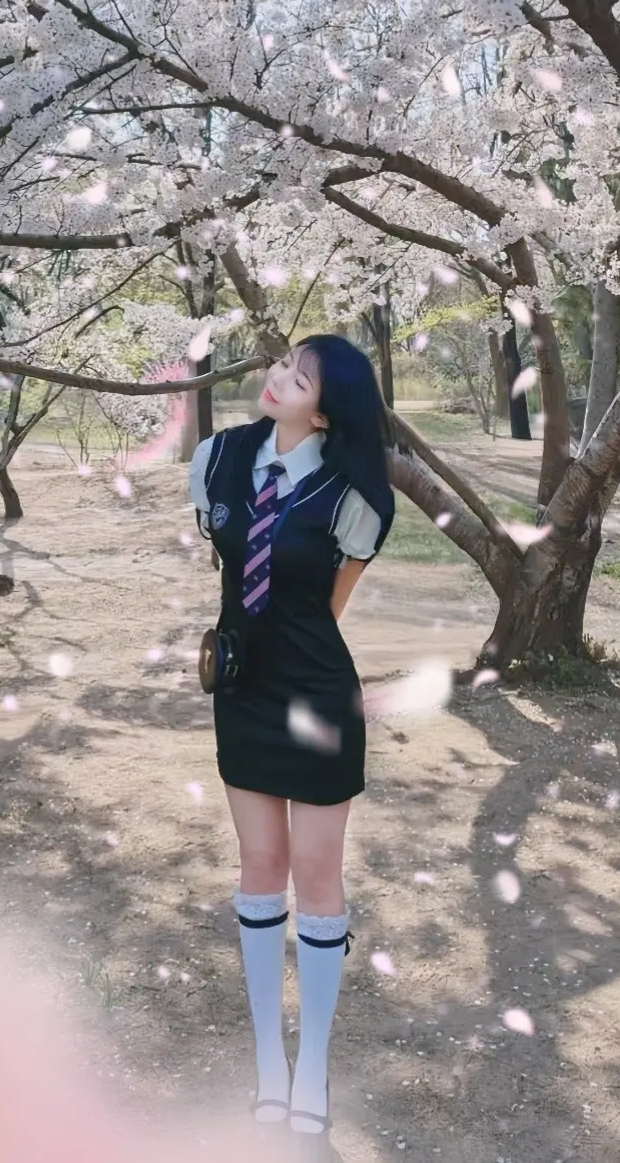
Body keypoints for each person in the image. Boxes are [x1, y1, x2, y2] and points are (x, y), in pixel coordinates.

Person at [188, 334, 395, 1153]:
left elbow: (330, 607)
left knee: (316, 873)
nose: (277, 379)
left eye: (299, 378)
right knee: (259, 864)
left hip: (315, 695)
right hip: (242, 693)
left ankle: (313, 1067)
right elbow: (229, 565)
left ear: (328, 410)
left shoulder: (356, 495)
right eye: (283, 366)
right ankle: (269, 1062)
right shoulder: (217, 459)